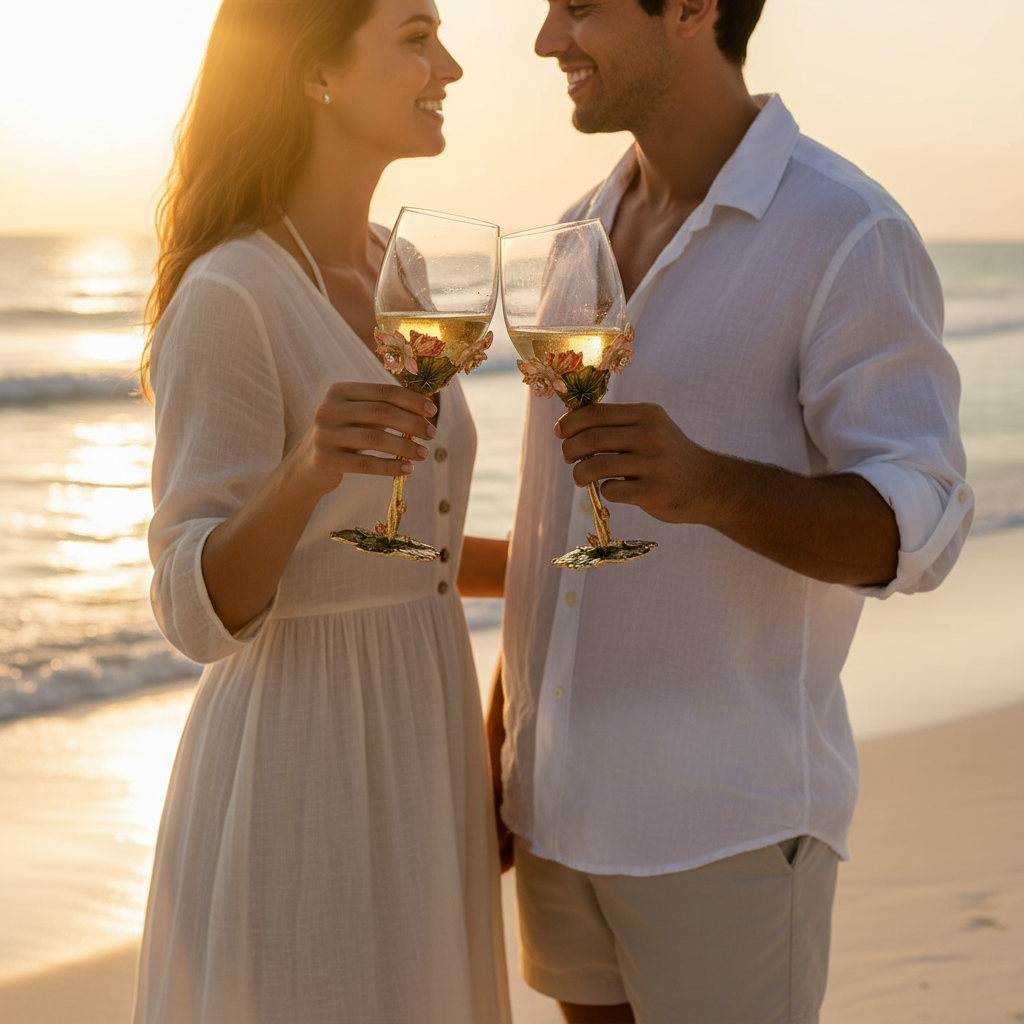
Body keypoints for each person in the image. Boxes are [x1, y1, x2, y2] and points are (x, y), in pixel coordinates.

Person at [488, 1, 973, 1021]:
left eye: (579, 7)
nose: (545, 40)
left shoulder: (847, 231)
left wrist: (712, 486)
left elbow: (921, 520)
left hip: (724, 826)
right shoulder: (576, 231)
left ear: (693, 11)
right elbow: (549, 528)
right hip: (556, 813)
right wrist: (505, 745)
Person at [133, 0, 510, 1021]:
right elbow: (192, 608)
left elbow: (403, 550)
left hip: (425, 736)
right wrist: (305, 468)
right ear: (315, 73)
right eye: (417, 36)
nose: (452, 66)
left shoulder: (405, 270)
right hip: (301, 760)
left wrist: (557, 562)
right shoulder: (232, 295)